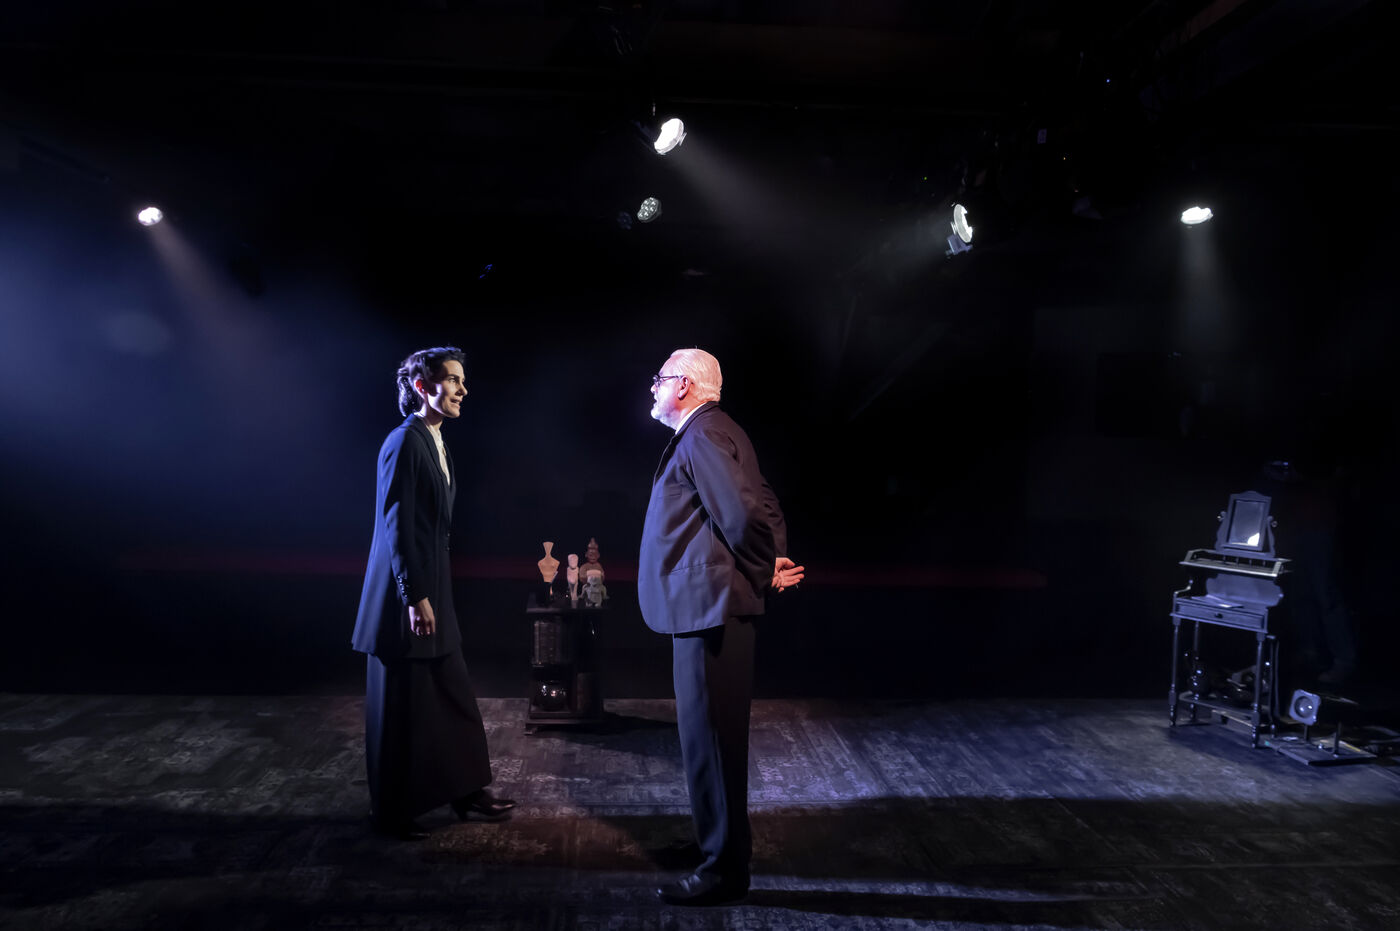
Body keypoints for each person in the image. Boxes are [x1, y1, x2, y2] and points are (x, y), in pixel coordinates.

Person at [638, 348, 804, 906]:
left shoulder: (704, 433)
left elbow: (743, 513)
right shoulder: (720, 429)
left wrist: (762, 569)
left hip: (711, 609)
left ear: (684, 385)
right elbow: (766, 503)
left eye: (660, 379)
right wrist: (770, 558)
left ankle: (724, 871)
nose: (653, 388)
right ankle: (717, 846)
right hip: (711, 607)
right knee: (710, 740)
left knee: (711, 742)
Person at [351, 346, 515, 840]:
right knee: (400, 708)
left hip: (432, 590)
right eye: (453, 380)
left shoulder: (435, 439)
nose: (463, 389)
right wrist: (413, 595)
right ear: (424, 387)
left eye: (462, 380)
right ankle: (389, 814)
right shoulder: (404, 441)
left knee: (452, 692)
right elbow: (396, 525)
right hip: (404, 597)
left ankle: (466, 790)